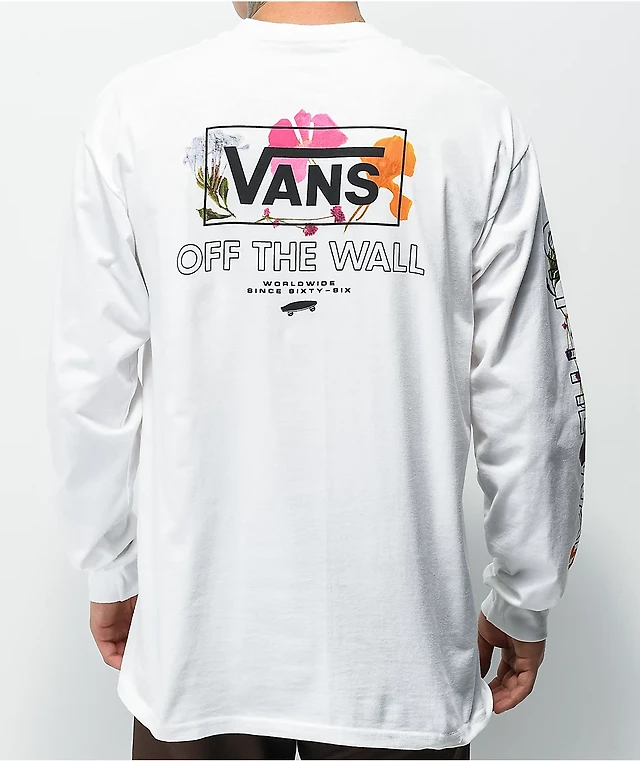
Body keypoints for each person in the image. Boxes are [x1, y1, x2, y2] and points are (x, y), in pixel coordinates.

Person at [45, 1, 587, 759]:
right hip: (399, 656)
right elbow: (532, 399)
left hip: (202, 649)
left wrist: (110, 564)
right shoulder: (472, 120)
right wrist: (526, 593)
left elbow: (89, 378)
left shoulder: (136, 113)